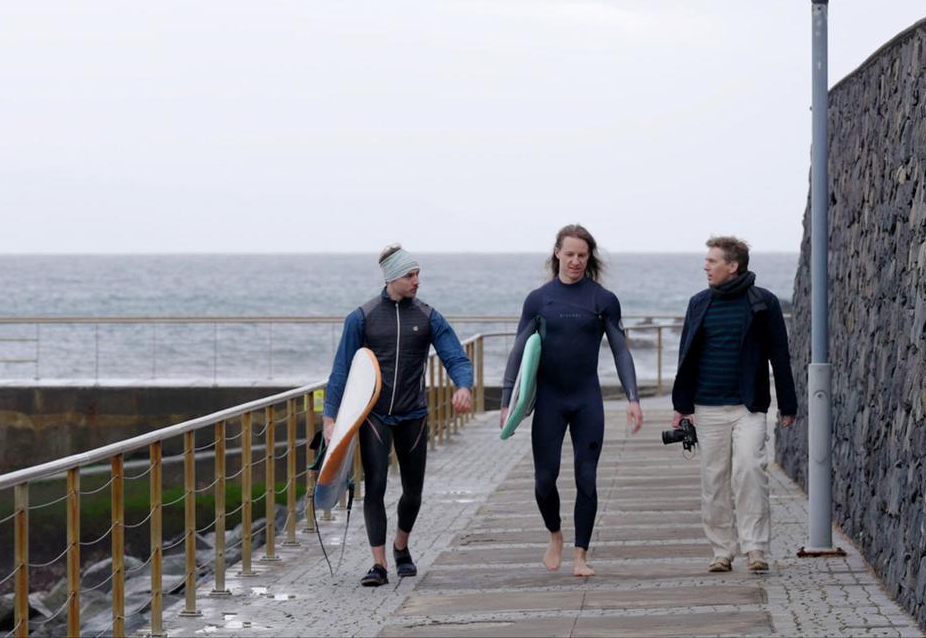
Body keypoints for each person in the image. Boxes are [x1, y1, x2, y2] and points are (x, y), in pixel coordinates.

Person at [322, 244, 475, 587]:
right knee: (374, 486)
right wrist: (329, 418)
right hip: (375, 415)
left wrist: (463, 386)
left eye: (418, 273)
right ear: (392, 277)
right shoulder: (361, 317)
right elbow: (341, 371)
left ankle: (401, 547)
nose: (417, 281)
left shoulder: (427, 316)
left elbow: (456, 357)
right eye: (410, 275)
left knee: (413, 492)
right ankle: (379, 565)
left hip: (414, 414)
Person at [499, 224, 643, 577]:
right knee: (544, 480)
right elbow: (519, 351)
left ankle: (581, 555)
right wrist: (507, 401)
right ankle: (555, 536)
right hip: (549, 399)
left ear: (589, 257)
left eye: (582, 255)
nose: (576, 261)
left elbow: (621, 352)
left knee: (587, 478)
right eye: (570, 254)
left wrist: (633, 398)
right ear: (557, 254)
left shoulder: (602, 300)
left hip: (586, 400)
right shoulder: (539, 299)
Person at [671, 236, 797, 573]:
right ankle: (722, 550)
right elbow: (686, 354)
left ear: (733, 266)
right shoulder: (699, 302)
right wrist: (681, 405)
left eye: (712, 261)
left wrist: (788, 403)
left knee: (749, 471)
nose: (705, 266)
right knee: (714, 479)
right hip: (707, 407)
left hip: (749, 406)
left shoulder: (763, 303)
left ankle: (755, 548)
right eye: (707, 260)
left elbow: (780, 355)